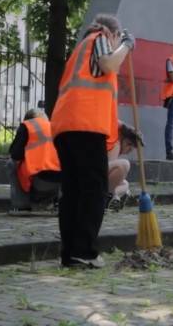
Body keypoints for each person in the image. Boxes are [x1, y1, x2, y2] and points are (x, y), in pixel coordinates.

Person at [51, 14, 135, 268]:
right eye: (116, 37)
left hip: (67, 126)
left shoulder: (80, 51)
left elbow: (88, 94)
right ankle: (84, 251)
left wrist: (121, 126)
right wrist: (127, 45)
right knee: (94, 190)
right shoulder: (99, 39)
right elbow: (109, 64)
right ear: (112, 33)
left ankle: (71, 253)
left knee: (74, 192)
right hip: (85, 129)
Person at [8, 108, 61, 213]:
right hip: (63, 183)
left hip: (39, 183)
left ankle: (21, 206)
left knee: (11, 163)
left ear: (28, 119)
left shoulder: (27, 126)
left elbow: (15, 155)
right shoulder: (55, 127)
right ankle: (57, 203)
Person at [106, 122, 144, 212]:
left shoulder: (117, 143)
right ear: (126, 141)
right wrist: (126, 127)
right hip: (90, 174)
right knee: (123, 165)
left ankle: (114, 197)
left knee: (125, 185)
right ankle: (108, 198)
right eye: (129, 147)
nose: (129, 151)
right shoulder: (116, 144)